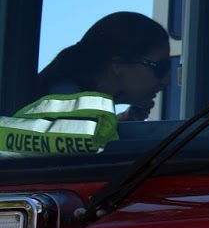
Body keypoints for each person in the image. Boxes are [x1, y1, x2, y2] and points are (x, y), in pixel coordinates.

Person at [1, 13, 171, 157]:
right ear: (118, 65)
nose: (166, 81)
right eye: (161, 68)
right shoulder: (68, 113)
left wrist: (119, 126)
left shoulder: (64, 103)